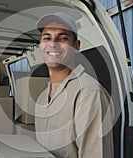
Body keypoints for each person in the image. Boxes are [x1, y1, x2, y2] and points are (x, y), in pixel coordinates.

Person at [34, 12, 115, 158]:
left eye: (63, 38)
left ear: (76, 46)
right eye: (47, 38)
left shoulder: (89, 93)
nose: (53, 43)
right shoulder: (41, 98)